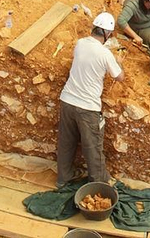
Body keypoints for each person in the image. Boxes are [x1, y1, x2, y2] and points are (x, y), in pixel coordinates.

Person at [56, 12, 123, 186]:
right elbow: (119, 76)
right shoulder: (105, 53)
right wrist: (119, 61)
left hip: (67, 101)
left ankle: (64, 178)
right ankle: (98, 185)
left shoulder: (80, 44)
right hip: (88, 108)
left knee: (66, 142)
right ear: (107, 34)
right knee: (93, 147)